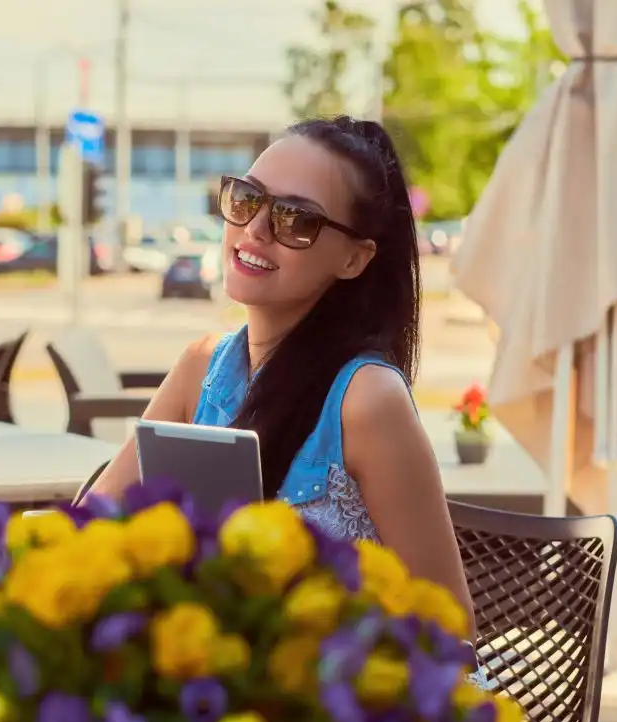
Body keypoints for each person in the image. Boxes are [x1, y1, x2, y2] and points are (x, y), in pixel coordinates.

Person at [89, 115, 473, 622]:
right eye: (247, 198)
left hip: (329, 692)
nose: (255, 229)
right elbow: (91, 526)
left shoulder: (366, 399)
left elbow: (451, 628)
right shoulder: (200, 367)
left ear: (355, 259)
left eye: (297, 220)